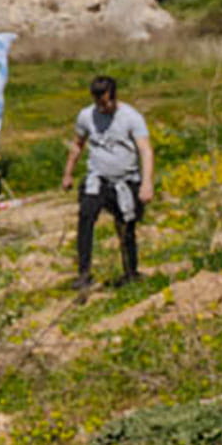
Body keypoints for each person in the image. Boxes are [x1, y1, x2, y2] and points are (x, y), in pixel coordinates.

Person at [59, 74, 153, 289]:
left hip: (125, 181)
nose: (102, 107)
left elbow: (145, 150)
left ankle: (131, 271)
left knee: (126, 225)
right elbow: (77, 145)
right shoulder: (86, 116)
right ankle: (84, 273)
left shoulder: (131, 117)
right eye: (97, 102)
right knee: (86, 217)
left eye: (105, 102)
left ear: (113, 97)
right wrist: (68, 173)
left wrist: (146, 183)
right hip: (97, 179)